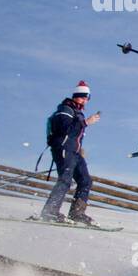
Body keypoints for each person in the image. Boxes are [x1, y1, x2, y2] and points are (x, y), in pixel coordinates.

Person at [41, 80, 101, 224]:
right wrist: (86, 122)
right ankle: (50, 211)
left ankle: (77, 213)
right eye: (82, 96)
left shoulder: (77, 112)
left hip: (75, 151)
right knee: (65, 180)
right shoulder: (65, 109)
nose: (85, 100)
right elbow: (65, 130)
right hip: (63, 149)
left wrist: (80, 148)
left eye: (87, 97)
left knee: (85, 180)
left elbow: (75, 134)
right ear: (75, 96)